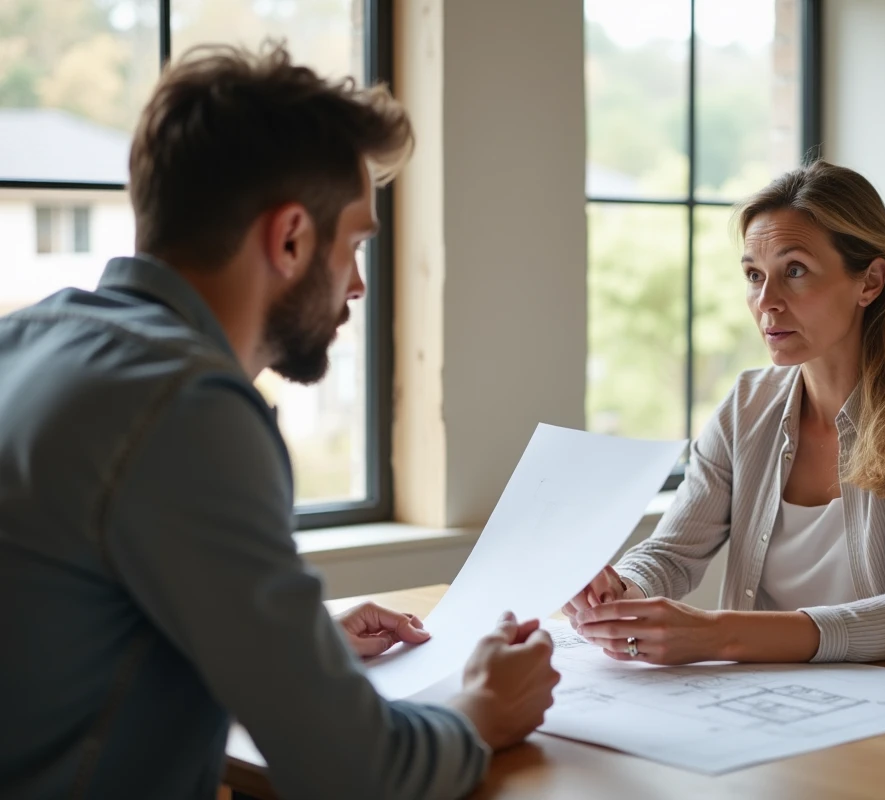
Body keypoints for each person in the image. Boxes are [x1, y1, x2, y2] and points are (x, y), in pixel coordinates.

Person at [0, 42, 557, 800]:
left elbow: (69, 635)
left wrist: (304, 647)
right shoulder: (187, 411)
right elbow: (359, 773)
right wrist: (480, 710)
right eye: (355, 242)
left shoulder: (28, 342)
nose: (358, 284)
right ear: (291, 237)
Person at [564, 161, 885, 676]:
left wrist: (717, 634)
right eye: (754, 276)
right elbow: (672, 553)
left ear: (870, 281)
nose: (767, 302)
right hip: (804, 707)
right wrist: (620, 590)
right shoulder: (744, 408)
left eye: (796, 271)